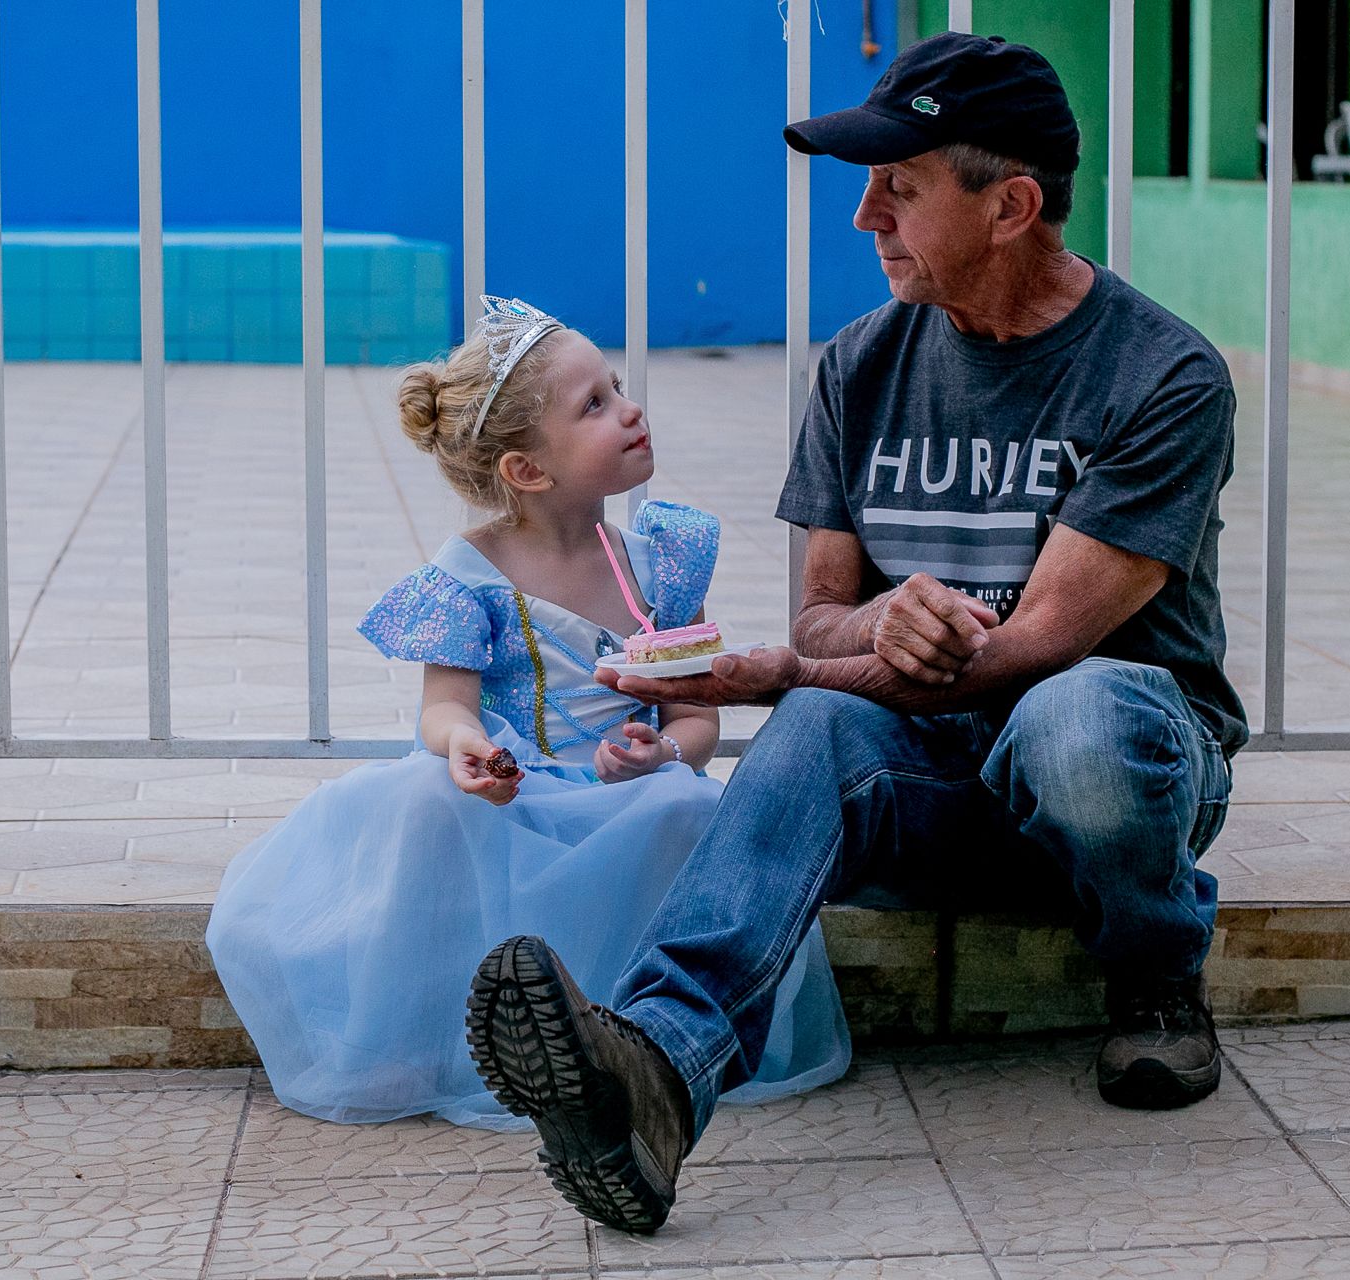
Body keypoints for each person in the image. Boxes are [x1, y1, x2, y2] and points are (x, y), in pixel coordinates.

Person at [465, 33, 1245, 1233]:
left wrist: (778, 669)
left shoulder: (1163, 376)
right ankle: (657, 1073)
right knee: (831, 715)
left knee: (1075, 710)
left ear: (1012, 205)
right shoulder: (861, 366)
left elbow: (1039, 641)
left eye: (903, 186)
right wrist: (870, 620)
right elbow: (826, 613)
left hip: (1116, 784)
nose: (863, 216)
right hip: (933, 782)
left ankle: (1154, 964)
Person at [206, 296, 850, 1130]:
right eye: (596, 406)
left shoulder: (660, 560)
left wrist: (665, 755)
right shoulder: (468, 576)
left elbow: (696, 720)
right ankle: (415, 1040)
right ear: (528, 471)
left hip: (624, 796)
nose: (631, 410)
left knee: (689, 807)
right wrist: (467, 746)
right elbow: (444, 710)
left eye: (616, 388)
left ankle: (658, 1034)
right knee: (425, 800)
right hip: (518, 793)